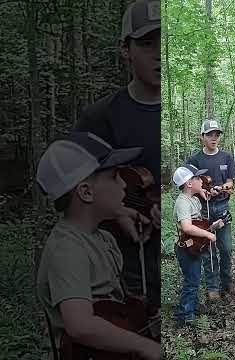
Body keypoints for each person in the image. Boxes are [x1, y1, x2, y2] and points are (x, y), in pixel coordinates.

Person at [36, 132, 161, 360]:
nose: (124, 183)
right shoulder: (67, 248)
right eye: (114, 176)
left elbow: (114, 308)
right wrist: (144, 346)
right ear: (86, 192)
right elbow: (81, 325)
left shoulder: (103, 238)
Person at [74, 0, 161, 322]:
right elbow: (76, 186)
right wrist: (121, 212)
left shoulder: (186, 112)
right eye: (147, 43)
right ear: (125, 49)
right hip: (121, 258)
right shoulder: (101, 117)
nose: (158, 53)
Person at [186, 119, 235, 300]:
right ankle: (212, 286)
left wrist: (223, 187)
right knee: (207, 248)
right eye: (210, 134)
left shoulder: (226, 157)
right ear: (202, 137)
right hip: (203, 210)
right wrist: (202, 192)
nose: (214, 138)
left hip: (222, 206)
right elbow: (189, 184)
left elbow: (231, 182)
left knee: (225, 248)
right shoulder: (194, 159)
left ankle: (227, 281)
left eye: (216, 134)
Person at [172, 164, 225, 326]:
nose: (201, 180)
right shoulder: (183, 202)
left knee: (194, 277)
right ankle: (184, 314)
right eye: (196, 178)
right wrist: (208, 234)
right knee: (192, 280)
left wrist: (212, 227)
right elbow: (187, 227)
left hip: (194, 246)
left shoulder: (194, 199)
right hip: (185, 247)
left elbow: (198, 225)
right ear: (189, 183)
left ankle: (192, 306)